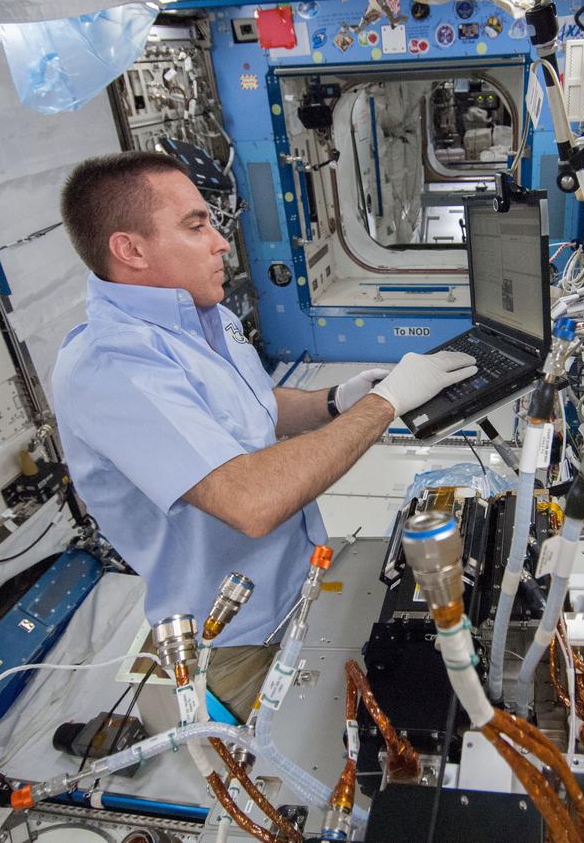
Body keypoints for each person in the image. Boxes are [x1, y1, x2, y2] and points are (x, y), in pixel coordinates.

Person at [50, 151, 476, 719]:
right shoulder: (114, 365)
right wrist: (383, 404)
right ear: (131, 249)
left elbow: (249, 407)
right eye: (195, 226)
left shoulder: (202, 318)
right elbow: (251, 502)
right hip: (240, 637)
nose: (221, 243)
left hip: (301, 586)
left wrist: (335, 400)